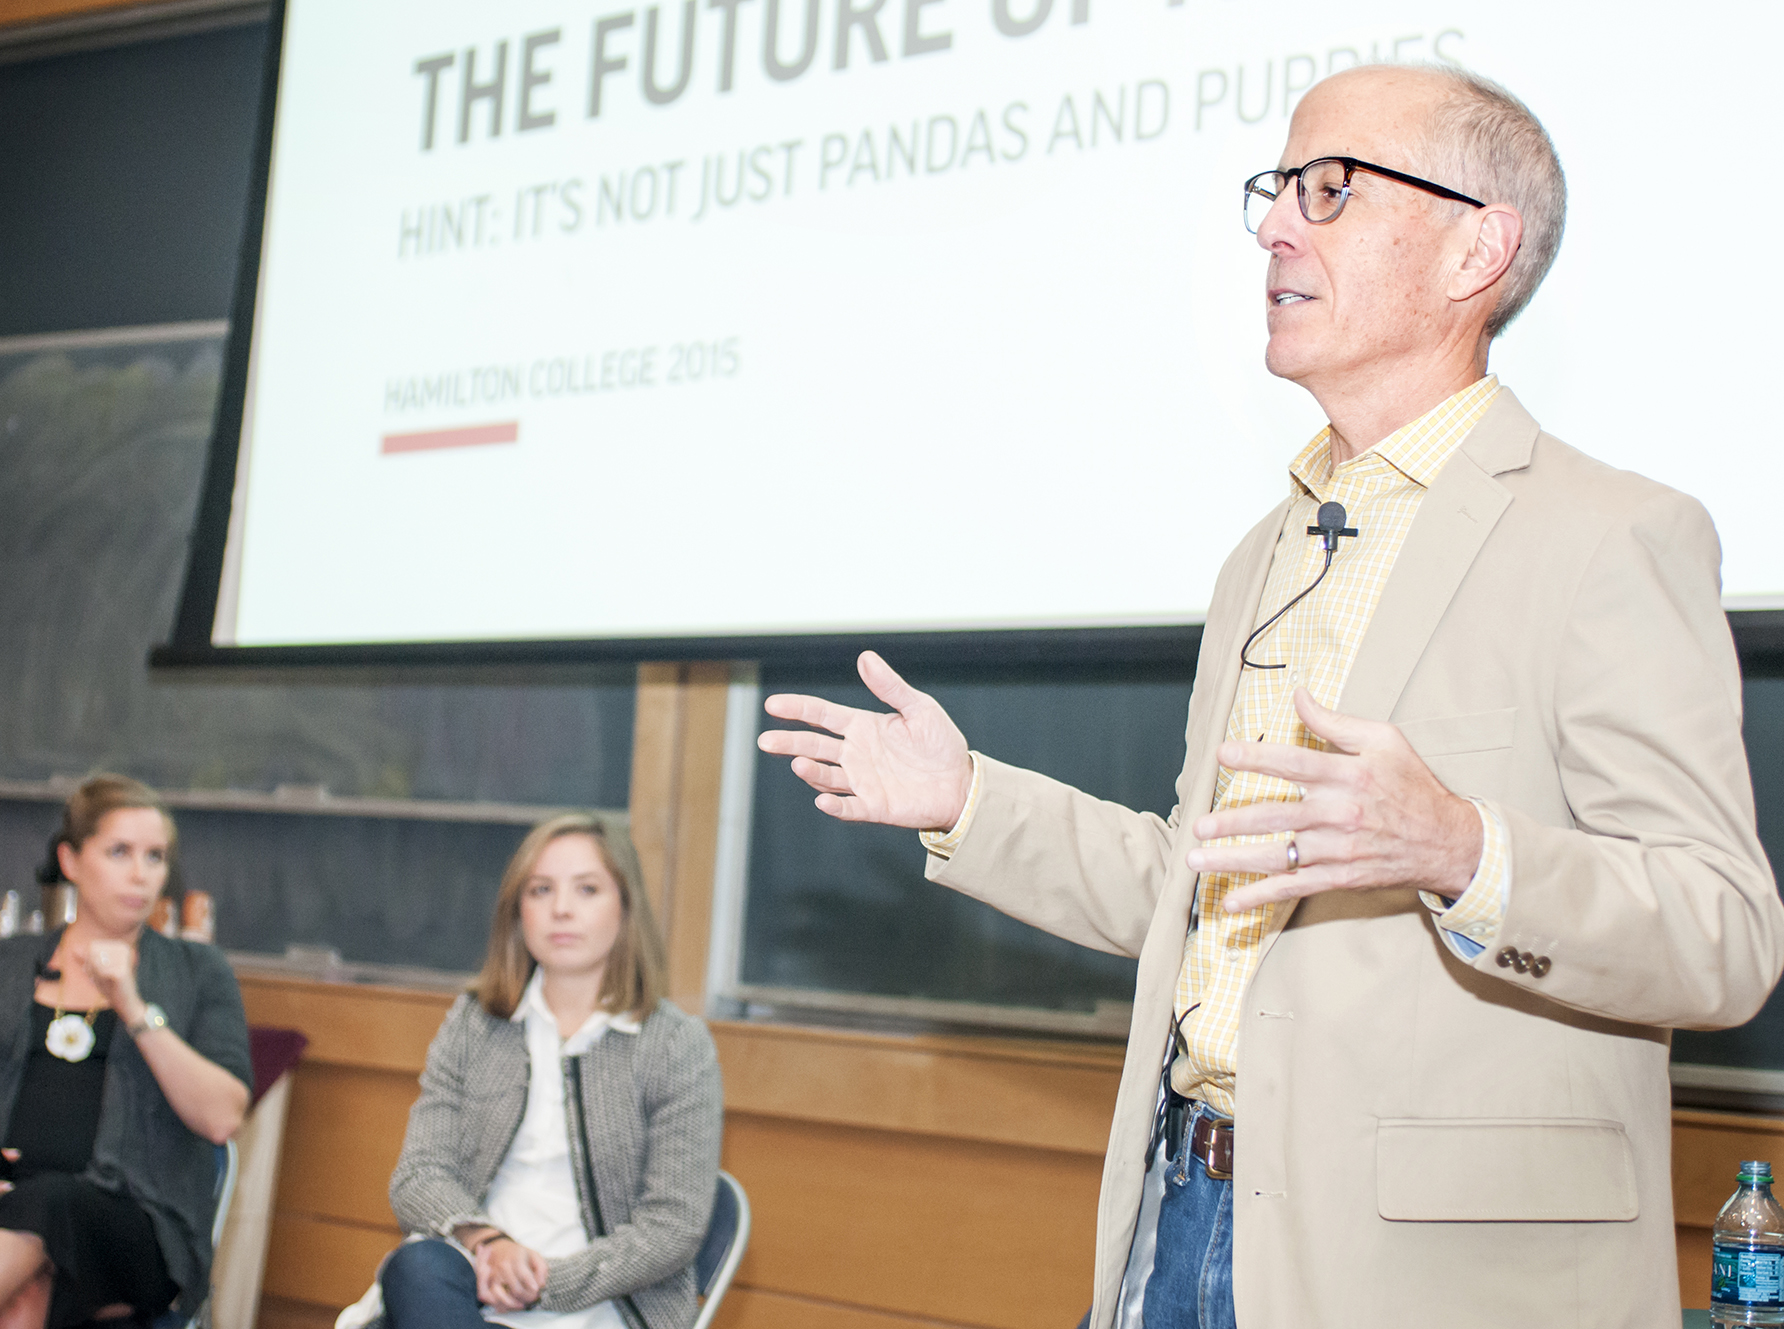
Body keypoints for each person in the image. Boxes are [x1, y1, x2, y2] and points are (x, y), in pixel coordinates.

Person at [757, 63, 1784, 1329]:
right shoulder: (1267, 554)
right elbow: (1194, 887)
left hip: (1430, 1277)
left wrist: (1461, 849)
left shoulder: (1612, 535)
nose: (1272, 226)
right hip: (1179, 1209)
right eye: (1276, 188)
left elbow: (1721, 934)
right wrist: (966, 801)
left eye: (1330, 188)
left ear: (1478, 246)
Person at [0, 775, 252, 1329]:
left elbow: (222, 1116)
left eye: (155, 857)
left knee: (50, 1204)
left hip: (129, 1230)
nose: (141, 873)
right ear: (72, 859)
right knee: (22, 1291)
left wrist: (131, 1005)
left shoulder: (198, 973)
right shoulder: (2, 964)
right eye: (119, 852)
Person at [349, 812, 722, 1329]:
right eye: (541, 890)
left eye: (587, 889)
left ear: (626, 907)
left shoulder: (675, 1044)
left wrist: (544, 1282)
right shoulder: (475, 1023)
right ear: (517, 912)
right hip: (468, 1287)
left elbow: (673, 1227)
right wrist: (489, 1244)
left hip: (601, 1306)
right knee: (415, 1269)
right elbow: (418, 1175)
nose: (561, 910)